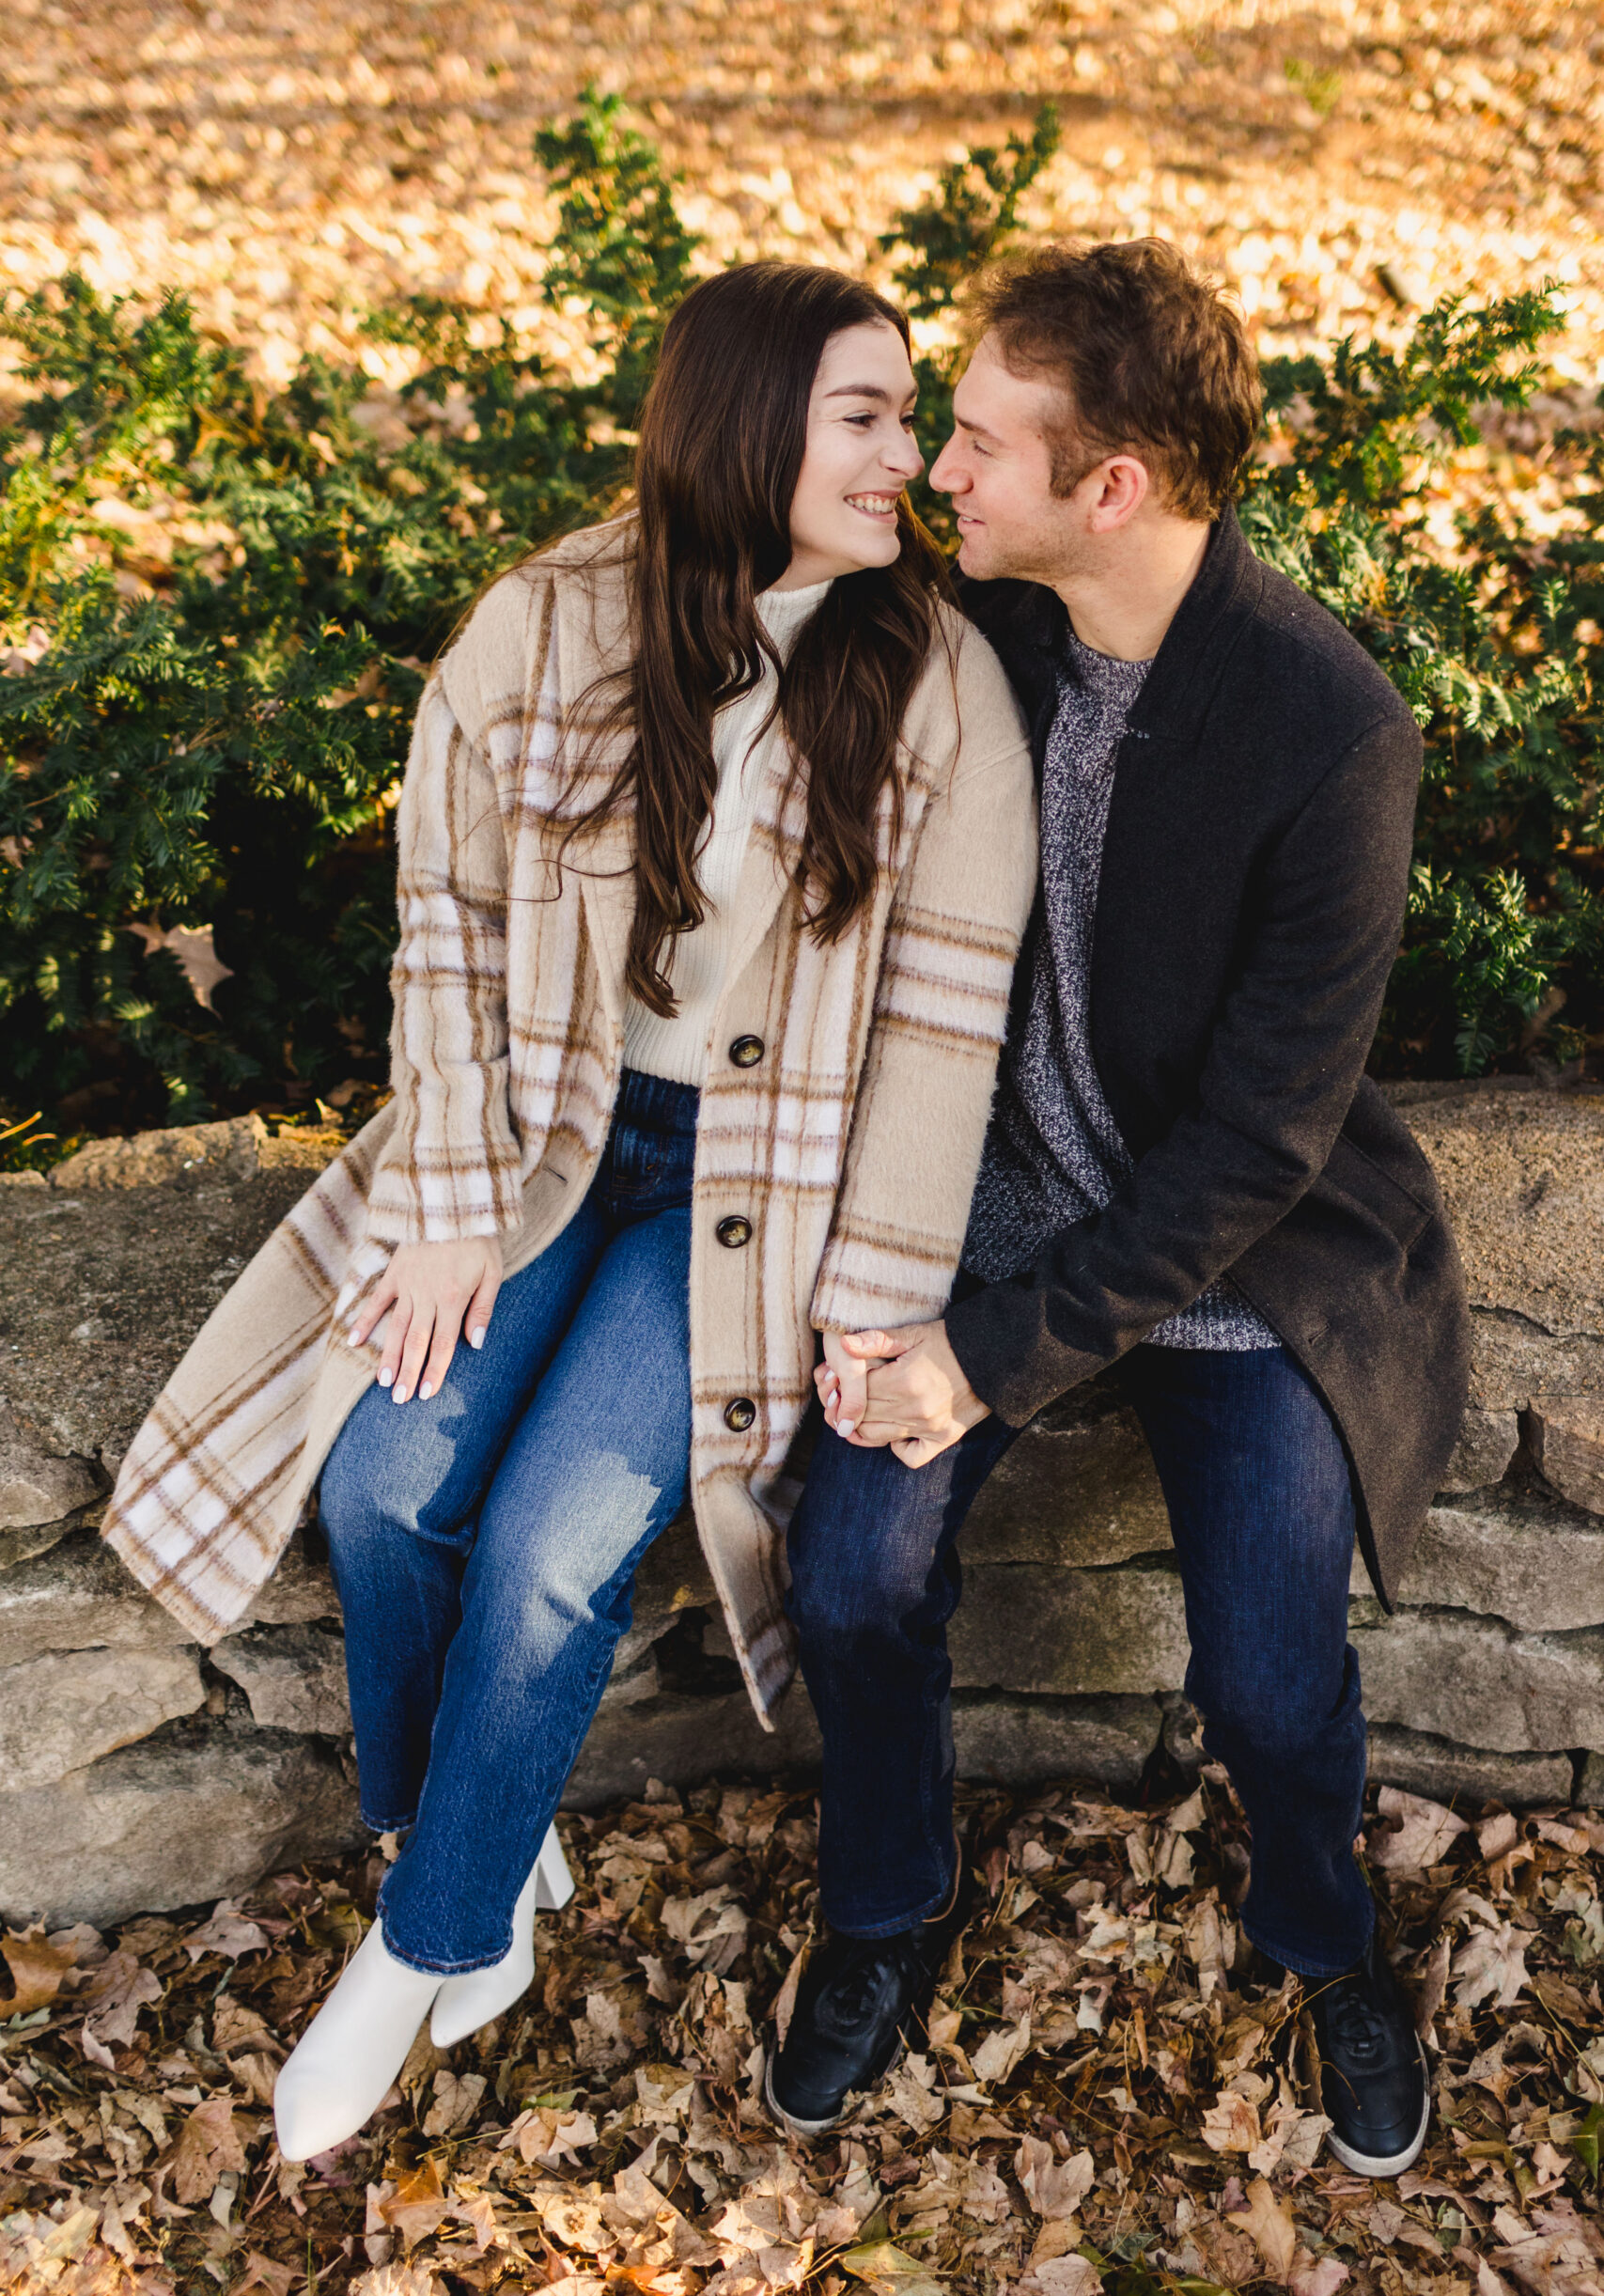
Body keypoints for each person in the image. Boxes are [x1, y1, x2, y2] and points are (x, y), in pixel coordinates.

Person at [103, 260, 1037, 2162]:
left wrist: (867, 1303)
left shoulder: (938, 684)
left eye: (904, 417)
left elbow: (947, 1033)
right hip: (540, 1148)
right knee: (377, 1483)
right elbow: (439, 930)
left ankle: (425, 1935)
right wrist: (444, 1199)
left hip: (752, 1203)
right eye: (862, 417)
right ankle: (484, 1830)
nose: (905, 460)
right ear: (746, 424)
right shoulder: (539, 631)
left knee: (546, 1550)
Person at [768, 240, 1471, 2179]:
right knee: (851, 1575)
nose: (940, 474)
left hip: (1231, 1254)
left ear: (1115, 491)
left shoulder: (1327, 729)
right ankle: (889, 1902)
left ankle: (1326, 1937)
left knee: (1263, 1672)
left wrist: (984, 1364)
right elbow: (715, 613)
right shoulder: (968, 627)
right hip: (981, 1205)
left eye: (982, 446)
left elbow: (1252, 1150)